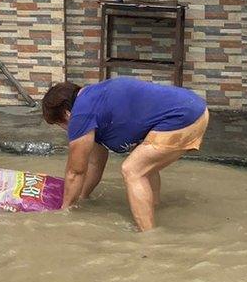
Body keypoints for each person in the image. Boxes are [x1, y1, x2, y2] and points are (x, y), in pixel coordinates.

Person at [42, 77, 209, 232]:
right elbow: (94, 163)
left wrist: (64, 212)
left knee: (133, 170)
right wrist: (82, 198)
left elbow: (75, 172)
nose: (66, 130)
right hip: (195, 107)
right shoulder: (93, 99)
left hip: (183, 116)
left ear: (66, 114)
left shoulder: (80, 115)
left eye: (59, 125)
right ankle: (153, 206)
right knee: (145, 165)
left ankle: (149, 237)